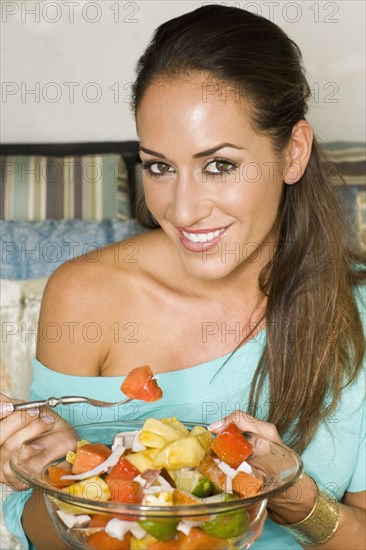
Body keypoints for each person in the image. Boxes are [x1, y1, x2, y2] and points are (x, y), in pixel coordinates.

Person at [1, 5, 365, 549]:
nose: (184, 210)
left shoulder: (353, 305)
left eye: (219, 165)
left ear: (293, 152)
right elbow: (40, 529)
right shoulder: (86, 295)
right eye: (159, 167)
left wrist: (294, 498)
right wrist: (59, 477)